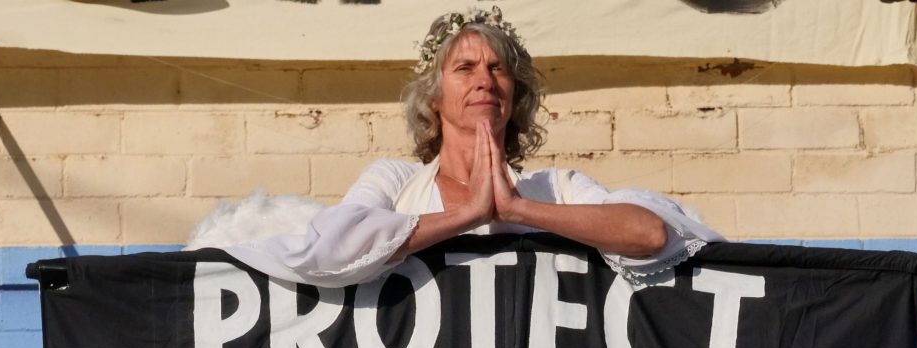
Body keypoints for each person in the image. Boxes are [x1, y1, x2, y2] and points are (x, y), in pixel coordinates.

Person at [206, 6, 725, 286]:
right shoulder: (395, 183)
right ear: (434, 99)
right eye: (466, 68)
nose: (485, 80)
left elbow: (650, 232)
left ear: (513, 95)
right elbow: (333, 248)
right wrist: (468, 214)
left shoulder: (555, 188)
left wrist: (520, 208)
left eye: (498, 69)